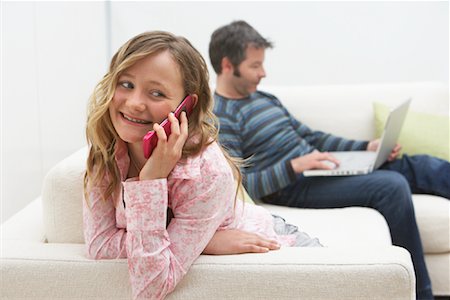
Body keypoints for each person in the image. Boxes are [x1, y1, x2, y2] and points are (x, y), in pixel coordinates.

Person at [209, 20, 450, 300]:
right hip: (293, 186)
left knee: (417, 165)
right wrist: (294, 166)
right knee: (391, 185)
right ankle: (421, 295)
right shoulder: (222, 116)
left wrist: (366, 147)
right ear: (227, 65)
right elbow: (240, 183)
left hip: (317, 170)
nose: (263, 73)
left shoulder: (265, 99)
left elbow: (314, 137)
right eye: (255, 66)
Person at [83, 31, 321, 300]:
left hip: (273, 241)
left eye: (157, 92)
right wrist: (202, 242)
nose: (135, 103)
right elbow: (99, 244)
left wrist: (149, 184)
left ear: (186, 106)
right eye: (126, 84)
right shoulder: (107, 149)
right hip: (223, 231)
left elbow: (151, 285)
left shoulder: (205, 171)